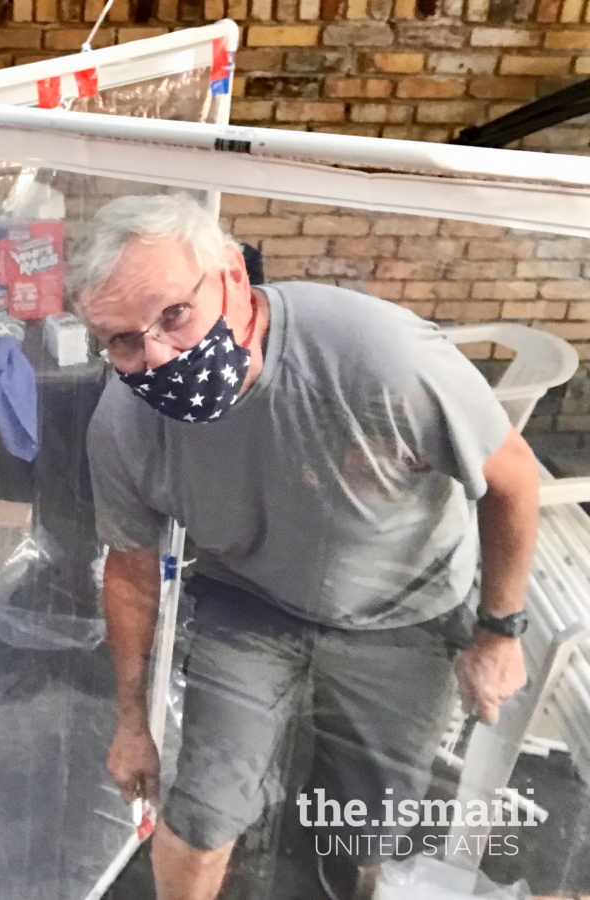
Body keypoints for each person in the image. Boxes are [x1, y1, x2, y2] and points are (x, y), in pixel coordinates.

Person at [77, 194, 538, 900]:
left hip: (404, 609)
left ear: (232, 274)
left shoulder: (381, 358)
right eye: (123, 341)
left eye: (174, 315)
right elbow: (133, 571)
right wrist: (130, 724)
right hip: (251, 600)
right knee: (203, 810)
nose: (159, 357)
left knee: (367, 825)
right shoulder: (124, 422)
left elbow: (512, 478)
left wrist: (500, 631)